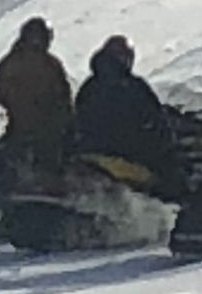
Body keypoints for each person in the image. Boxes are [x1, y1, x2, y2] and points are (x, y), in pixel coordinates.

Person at [72, 35, 178, 193]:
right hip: (125, 153)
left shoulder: (90, 86)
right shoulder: (134, 86)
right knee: (172, 175)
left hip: (89, 151)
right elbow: (155, 118)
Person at [0, 16, 73, 176]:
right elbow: (63, 97)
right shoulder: (50, 64)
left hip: (18, 129)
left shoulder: (9, 62)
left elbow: (1, 93)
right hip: (48, 132)